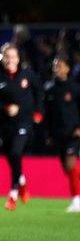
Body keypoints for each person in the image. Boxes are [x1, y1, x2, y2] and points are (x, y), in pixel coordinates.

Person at [0, 42, 44, 211]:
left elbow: (39, 92)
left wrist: (38, 112)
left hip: (24, 122)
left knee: (16, 152)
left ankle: (12, 194)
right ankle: (22, 182)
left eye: (13, 57)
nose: (10, 60)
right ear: (2, 58)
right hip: (5, 125)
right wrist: (4, 108)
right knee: (12, 158)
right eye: (7, 57)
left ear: (18, 58)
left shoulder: (28, 74)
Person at [44, 55, 80, 212]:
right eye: (54, 66)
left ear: (67, 68)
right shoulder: (50, 89)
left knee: (71, 165)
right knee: (66, 168)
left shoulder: (75, 88)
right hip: (58, 134)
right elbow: (48, 115)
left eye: (59, 66)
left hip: (74, 133)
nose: (56, 69)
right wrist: (49, 134)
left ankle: (77, 200)